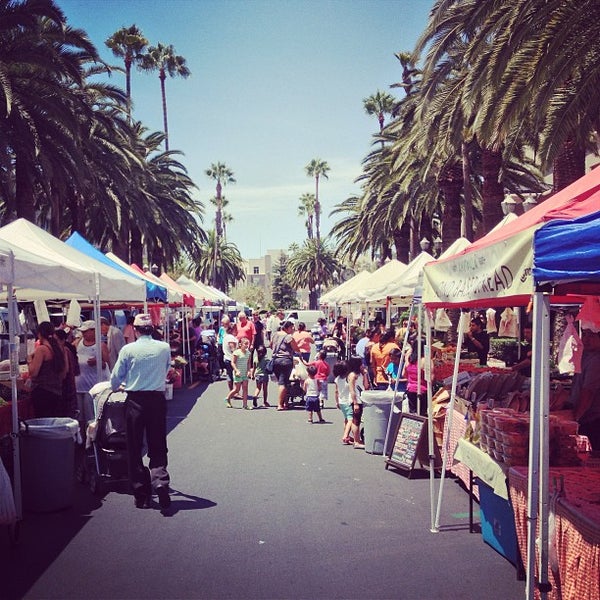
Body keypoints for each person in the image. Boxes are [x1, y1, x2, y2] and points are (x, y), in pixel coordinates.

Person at [110, 313, 173, 511]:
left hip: (135, 401)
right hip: (156, 399)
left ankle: (141, 494)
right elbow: (166, 370)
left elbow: (115, 378)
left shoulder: (128, 349)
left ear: (135, 330)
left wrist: (119, 386)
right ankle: (160, 480)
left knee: (135, 446)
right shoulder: (164, 347)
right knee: (157, 443)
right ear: (152, 329)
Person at [74, 320, 110, 433]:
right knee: (79, 416)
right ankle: (82, 439)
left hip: (92, 387)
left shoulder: (101, 345)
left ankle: (92, 440)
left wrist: (97, 361)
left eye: (86, 331)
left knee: (90, 416)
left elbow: (107, 363)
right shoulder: (78, 342)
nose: (84, 334)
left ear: (94, 331)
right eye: (83, 332)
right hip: (79, 385)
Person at [27, 321, 67, 417]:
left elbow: (33, 373)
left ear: (40, 334)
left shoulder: (42, 350)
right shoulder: (60, 349)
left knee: (43, 422)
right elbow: (64, 373)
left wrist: (29, 360)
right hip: (57, 391)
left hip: (42, 392)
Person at [571, 328, 600, 453]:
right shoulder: (586, 356)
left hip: (592, 421)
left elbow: (588, 392)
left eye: (592, 335)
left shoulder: (596, 361)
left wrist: (575, 419)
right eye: (585, 334)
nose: (586, 339)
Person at [270, 320, 302, 411]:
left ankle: (285, 402)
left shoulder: (275, 335)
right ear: (286, 328)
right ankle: (280, 404)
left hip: (276, 360)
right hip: (285, 361)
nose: (293, 329)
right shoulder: (289, 337)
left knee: (282, 382)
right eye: (292, 327)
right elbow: (296, 348)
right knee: (283, 383)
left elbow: (271, 346)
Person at [54, 328, 79, 418]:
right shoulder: (65, 349)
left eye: (56, 340)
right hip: (68, 387)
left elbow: (66, 371)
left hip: (66, 387)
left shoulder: (65, 350)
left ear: (63, 340)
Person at [348, 356, 368, 449]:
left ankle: (357, 439)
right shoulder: (352, 375)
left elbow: (366, 385)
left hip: (361, 398)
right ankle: (356, 441)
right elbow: (352, 390)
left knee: (357, 420)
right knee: (356, 421)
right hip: (356, 400)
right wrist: (355, 403)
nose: (362, 365)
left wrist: (365, 375)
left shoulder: (360, 374)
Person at [225, 336, 251, 409]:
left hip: (244, 373)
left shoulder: (248, 353)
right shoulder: (236, 352)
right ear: (240, 344)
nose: (246, 345)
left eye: (247, 344)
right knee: (237, 389)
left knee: (245, 389)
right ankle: (228, 398)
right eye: (245, 344)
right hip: (238, 373)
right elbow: (232, 363)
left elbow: (249, 363)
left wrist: (249, 371)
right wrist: (236, 370)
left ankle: (245, 405)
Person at [402, 344, 428, 415]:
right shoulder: (425, 361)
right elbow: (430, 378)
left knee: (413, 412)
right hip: (423, 390)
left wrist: (412, 380)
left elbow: (403, 374)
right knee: (422, 414)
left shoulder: (409, 360)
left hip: (411, 389)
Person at [333, 360, 354, 444]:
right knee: (351, 419)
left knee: (346, 419)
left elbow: (336, 391)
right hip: (348, 401)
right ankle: (345, 435)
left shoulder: (337, 379)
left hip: (341, 401)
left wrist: (337, 402)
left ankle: (347, 434)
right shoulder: (348, 378)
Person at [222, 320, 238, 393]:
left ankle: (231, 391)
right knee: (235, 376)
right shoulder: (231, 338)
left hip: (226, 358)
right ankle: (234, 392)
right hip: (232, 359)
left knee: (229, 375)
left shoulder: (226, 337)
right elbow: (233, 349)